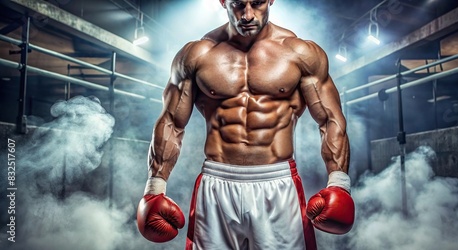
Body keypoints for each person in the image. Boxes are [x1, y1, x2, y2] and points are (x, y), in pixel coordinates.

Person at [136, 0, 355, 249]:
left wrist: (339, 183)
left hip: (277, 184)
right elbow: (171, 122)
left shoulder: (300, 53)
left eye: (258, 3)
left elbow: (330, 119)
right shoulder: (196, 54)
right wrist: (154, 187)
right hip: (217, 184)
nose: (248, 14)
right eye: (239, 4)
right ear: (222, 2)